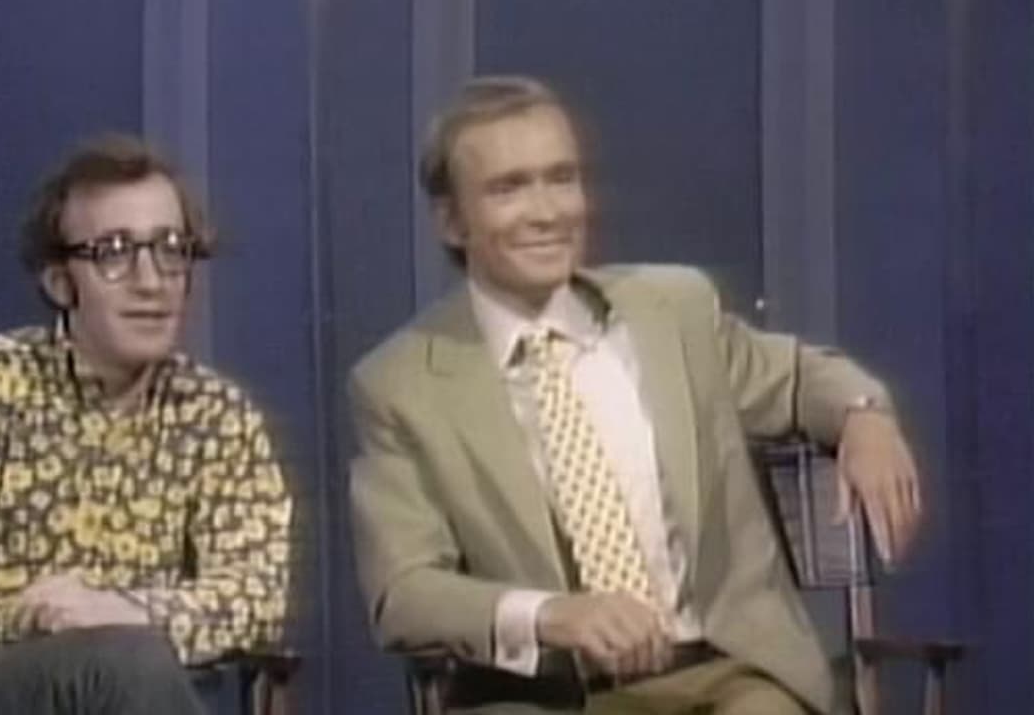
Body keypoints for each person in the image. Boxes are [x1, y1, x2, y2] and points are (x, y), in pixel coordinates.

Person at [348, 76, 921, 714]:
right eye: (509, 188)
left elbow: (796, 378)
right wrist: (551, 614)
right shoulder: (401, 384)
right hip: (549, 695)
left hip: (729, 674)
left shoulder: (673, 309)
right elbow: (404, 592)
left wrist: (864, 416)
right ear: (452, 221)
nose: (546, 212)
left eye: (561, 178)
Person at [0, 134, 293, 715]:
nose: (151, 280)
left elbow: (255, 599)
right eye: (113, 252)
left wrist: (119, 611)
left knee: (126, 663)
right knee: (122, 664)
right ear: (59, 281)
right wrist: (72, 631)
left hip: (134, 695)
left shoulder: (219, 416)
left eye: (170, 249)